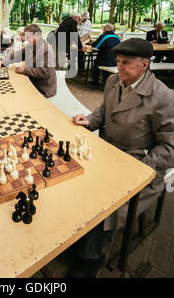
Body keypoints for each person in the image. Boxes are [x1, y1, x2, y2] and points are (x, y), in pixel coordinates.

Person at [71, 38, 174, 278]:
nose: (119, 67)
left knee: (105, 206)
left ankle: (92, 257)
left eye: (126, 63)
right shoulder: (113, 81)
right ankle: (77, 235)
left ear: (144, 65)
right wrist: (90, 120)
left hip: (141, 166)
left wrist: (141, 170)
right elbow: (104, 111)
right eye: (118, 62)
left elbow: (170, 147)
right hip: (108, 153)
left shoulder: (163, 97)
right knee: (75, 181)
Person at [2, 24, 57, 98]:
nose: (26, 39)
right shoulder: (31, 45)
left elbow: (45, 72)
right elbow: (18, 54)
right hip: (33, 82)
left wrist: (24, 70)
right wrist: (3, 61)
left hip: (43, 89)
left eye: (28, 37)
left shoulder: (46, 49)